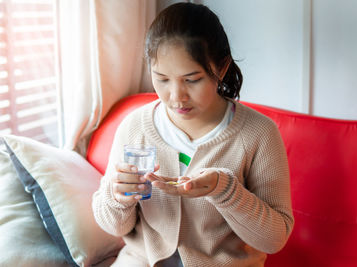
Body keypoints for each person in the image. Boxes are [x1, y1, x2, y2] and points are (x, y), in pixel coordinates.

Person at [92, 2, 294, 267]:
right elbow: (114, 226)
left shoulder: (258, 134)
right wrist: (118, 197)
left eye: (192, 79)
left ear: (221, 69)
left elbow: (274, 239)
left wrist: (226, 190)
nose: (176, 97)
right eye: (162, 79)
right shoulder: (135, 127)